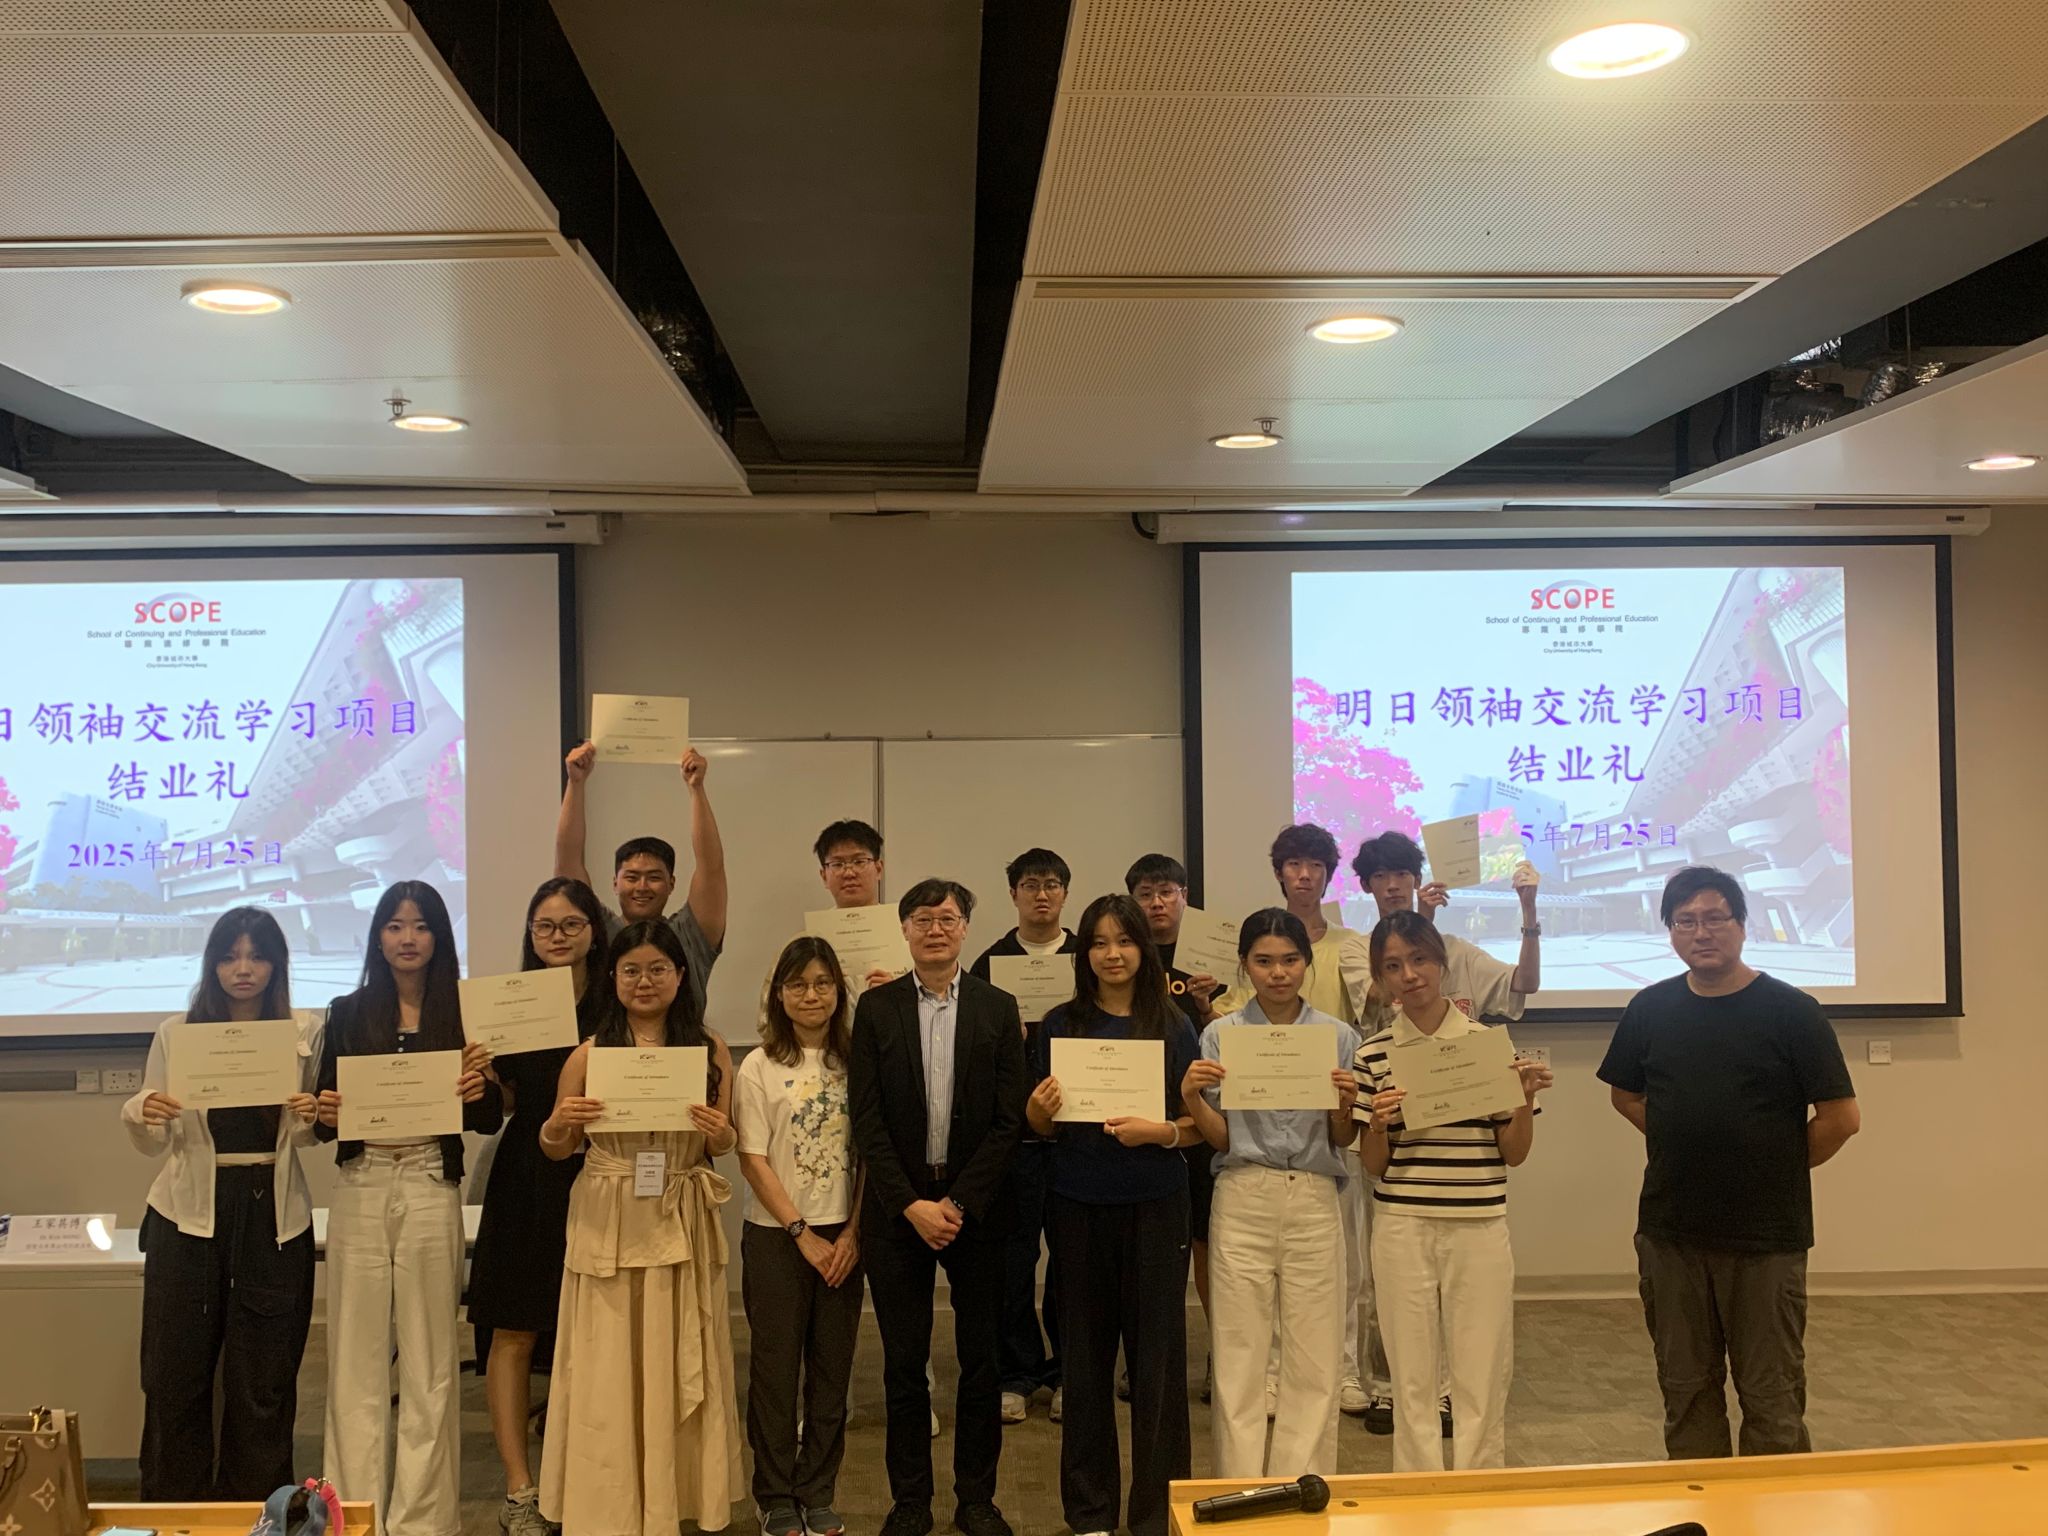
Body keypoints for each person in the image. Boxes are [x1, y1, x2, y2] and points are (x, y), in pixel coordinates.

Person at [1598, 866, 1859, 1459]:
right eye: (1685, 921)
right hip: (1671, 1233)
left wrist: (1774, 1166)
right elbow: (1625, 1095)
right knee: (1686, 1389)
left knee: (1771, 1395)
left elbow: (1842, 1117)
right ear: (1670, 932)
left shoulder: (1793, 1011)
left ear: (1742, 924)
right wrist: (1684, 1142)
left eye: (1715, 918)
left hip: (1766, 1237)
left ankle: (1776, 1505)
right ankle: (1703, 1501)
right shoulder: (1650, 1008)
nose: (1702, 932)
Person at [538, 920, 744, 1532]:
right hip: (608, 1215)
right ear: (614, 977)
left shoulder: (709, 1048)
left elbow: (725, 1144)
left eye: (658, 969)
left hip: (679, 1210)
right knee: (607, 1363)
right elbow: (556, 1147)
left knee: (677, 1356)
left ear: (680, 976)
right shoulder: (589, 1053)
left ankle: (673, 1502)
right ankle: (610, 1507)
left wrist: (719, 1133)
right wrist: (560, 1122)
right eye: (631, 970)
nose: (644, 981)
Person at [1336, 828, 1543, 1434]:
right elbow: (1374, 1160)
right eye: (1395, 965)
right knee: (1397, 1317)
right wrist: (1377, 1124)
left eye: (1421, 960)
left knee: (1478, 1353)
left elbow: (1513, 1152)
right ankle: (1393, 1399)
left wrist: (1524, 1101)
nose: (1409, 974)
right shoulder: (1369, 1026)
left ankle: (1455, 1412)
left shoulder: (1486, 1043)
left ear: (1443, 965)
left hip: (1476, 1213)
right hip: (1402, 1203)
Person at [314, 882, 502, 1536]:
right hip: (363, 1183)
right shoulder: (346, 1012)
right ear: (378, 937)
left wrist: (481, 1089)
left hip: (429, 1181)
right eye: (395, 926)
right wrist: (327, 1110)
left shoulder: (465, 1013)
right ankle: (353, 1514)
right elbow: (323, 1119)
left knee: (430, 1362)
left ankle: (423, 1521)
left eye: (420, 926)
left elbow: (485, 1118)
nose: (408, 938)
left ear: (439, 936)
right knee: (354, 1361)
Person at [122, 907, 322, 1500]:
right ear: (212, 964)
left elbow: (307, 1135)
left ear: (276, 965)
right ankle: (173, 1512)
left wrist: (311, 1116)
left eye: (257, 957)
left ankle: (256, 1512)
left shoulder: (304, 1032)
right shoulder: (177, 1031)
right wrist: (143, 1110)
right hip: (187, 1215)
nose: (243, 969)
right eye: (230, 957)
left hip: (272, 1216)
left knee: (264, 1379)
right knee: (173, 1374)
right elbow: (154, 1136)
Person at [848, 878, 1025, 1536]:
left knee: (981, 1362)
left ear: (965, 929)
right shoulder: (876, 1009)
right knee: (904, 1364)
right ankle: (910, 1502)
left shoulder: (997, 1007)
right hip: (898, 1211)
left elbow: (1009, 1120)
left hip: (976, 1210)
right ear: (904, 929)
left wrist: (957, 1200)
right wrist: (912, 1205)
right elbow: (866, 1121)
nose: (935, 930)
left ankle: (977, 1499)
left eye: (947, 919)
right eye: (922, 919)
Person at [1026, 894, 1198, 1536]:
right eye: (1098, 943)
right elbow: (1038, 1125)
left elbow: (1198, 1124)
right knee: (1085, 1364)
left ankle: (1155, 1513)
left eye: (1124, 941)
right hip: (1078, 1206)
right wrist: (1040, 1109)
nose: (1112, 954)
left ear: (1143, 950)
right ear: (1084, 954)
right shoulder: (1059, 1024)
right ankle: (1091, 1512)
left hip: (1156, 1207)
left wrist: (1160, 1133)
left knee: (1158, 1367)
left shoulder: (1172, 1024)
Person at [1182, 909, 1360, 1479]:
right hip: (1243, 1192)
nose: (1278, 973)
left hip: (1313, 1194)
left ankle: (1302, 1485)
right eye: (1263, 961)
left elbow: (1341, 1138)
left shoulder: (1338, 1037)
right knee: (1239, 1352)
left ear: (1307, 963)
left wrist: (1344, 1106)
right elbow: (1222, 1138)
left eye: (1289, 960)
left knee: (1315, 1354)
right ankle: (1239, 1486)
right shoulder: (1221, 1034)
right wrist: (1192, 1099)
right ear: (1244, 965)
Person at [466, 877, 609, 1536]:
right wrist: (482, 1077)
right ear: (530, 934)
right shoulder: (510, 1003)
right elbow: (499, 1110)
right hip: (527, 1173)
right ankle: (520, 1488)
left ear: (593, 931)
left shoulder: (615, 999)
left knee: (597, 1329)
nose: (557, 936)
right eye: (545, 925)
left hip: (600, 1171)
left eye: (571, 924)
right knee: (513, 1327)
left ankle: (589, 1478)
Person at [737, 936, 864, 1536]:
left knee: (832, 1372)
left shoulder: (857, 1060)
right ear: (779, 994)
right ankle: (775, 1496)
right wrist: (801, 1232)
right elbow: (752, 1158)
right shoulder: (759, 1065)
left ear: (838, 990)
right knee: (775, 1372)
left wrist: (853, 1232)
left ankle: (817, 1490)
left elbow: (870, 1154)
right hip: (777, 1237)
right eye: (797, 984)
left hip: (845, 1237)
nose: (810, 995)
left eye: (822, 983)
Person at [969, 848, 1079, 1425]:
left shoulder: (1088, 957)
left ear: (1065, 893)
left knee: (1072, 1261)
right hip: (1012, 1140)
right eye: (1031, 884)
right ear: (1013, 894)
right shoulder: (989, 964)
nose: (1042, 894)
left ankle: (1067, 1372)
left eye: (1052, 884)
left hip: (1077, 1135)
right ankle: (1015, 1373)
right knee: (1012, 1262)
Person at [1124, 854, 1223, 1400]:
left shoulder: (1214, 957)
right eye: (1146, 894)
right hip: (1137, 1112)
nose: (1157, 903)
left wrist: (1206, 1008)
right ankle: (1142, 1360)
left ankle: (1218, 1357)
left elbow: (1235, 1040)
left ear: (1185, 896)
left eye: (1167, 891)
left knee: (1206, 1241)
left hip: (1200, 1115)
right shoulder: (1126, 956)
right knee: (1144, 1247)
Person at [555, 738, 727, 1010]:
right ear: (615, 883)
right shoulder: (597, 931)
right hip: (606, 1040)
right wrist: (576, 784)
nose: (642, 887)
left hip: (683, 1039)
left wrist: (696, 789)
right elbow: (568, 861)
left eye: (654, 877)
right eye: (632, 877)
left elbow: (711, 867)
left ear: (671, 884)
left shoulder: (690, 935)